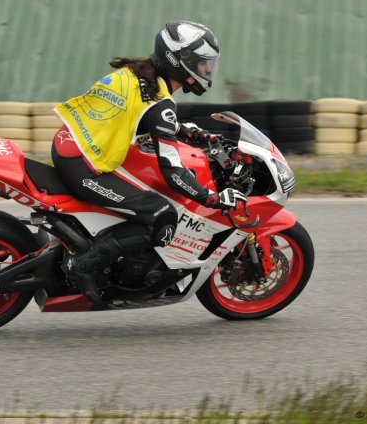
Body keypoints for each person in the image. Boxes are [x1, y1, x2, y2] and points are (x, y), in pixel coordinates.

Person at [52, 21, 247, 304]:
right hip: (84, 165)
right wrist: (212, 198)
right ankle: (84, 265)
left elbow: (143, 116)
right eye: (203, 63)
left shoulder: (137, 73)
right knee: (161, 215)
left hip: (68, 143)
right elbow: (173, 173)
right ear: (181, 61)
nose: (207, 70)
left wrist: (187, 132)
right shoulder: (161, 103)